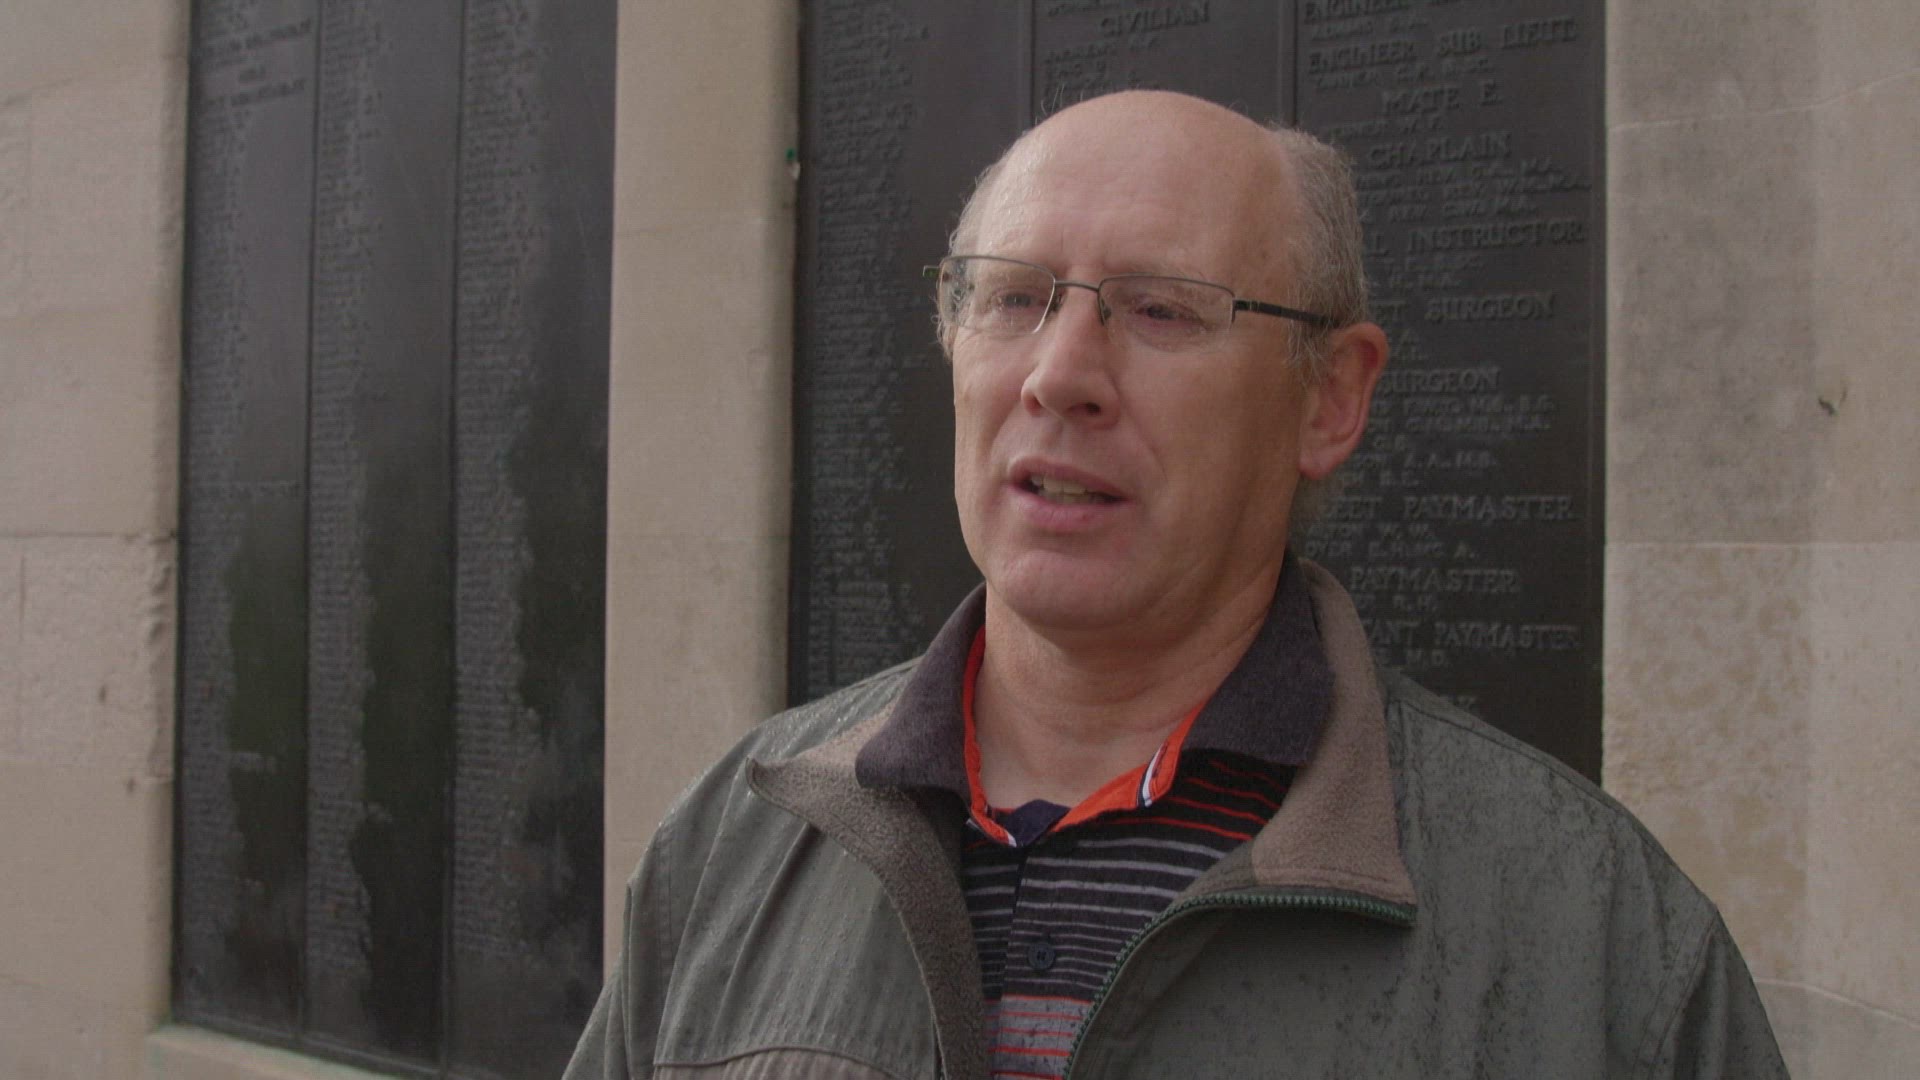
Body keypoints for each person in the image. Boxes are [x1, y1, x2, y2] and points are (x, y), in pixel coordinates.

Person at [567, 90, 1787, 1079]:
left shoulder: (1600, 938)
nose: (1060, 375)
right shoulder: (732, 843)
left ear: (1331, 398)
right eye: (1013, 297)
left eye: (1160, 309)